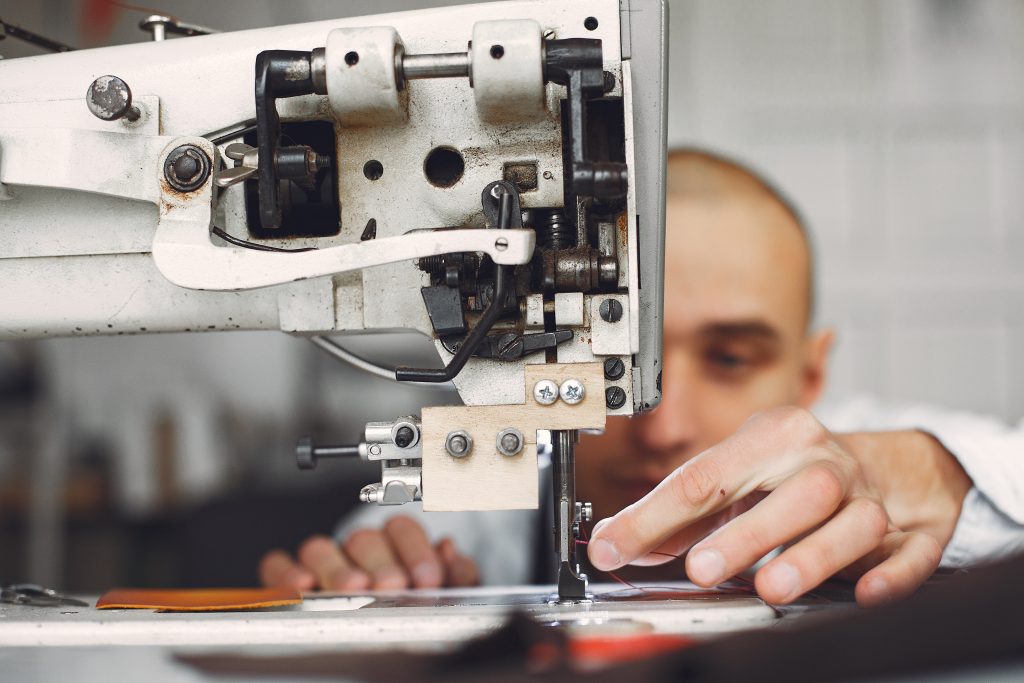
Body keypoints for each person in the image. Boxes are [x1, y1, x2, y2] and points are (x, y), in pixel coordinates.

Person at [260, 149, 1024, 606]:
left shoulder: (858, 463)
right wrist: (387, 568)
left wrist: (930, 473)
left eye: (730, 358)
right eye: (614, 360)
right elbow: (417, 530)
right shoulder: (507, 496)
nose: (662, 423)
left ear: (811, 374)